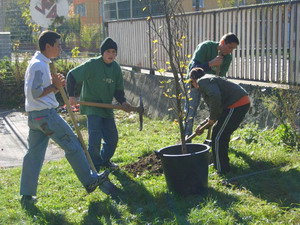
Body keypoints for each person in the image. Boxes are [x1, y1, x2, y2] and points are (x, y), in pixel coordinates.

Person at [20, 30, 109, 204]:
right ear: (48, 46)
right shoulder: (39, 65)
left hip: (35, 117)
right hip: (46, 115)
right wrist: (54, 85)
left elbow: (38, 91)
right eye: (58, 45)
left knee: (34, 155)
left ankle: (27, 194)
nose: (61, 48)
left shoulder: (39, 62)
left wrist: (55, 86)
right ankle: (90, 181)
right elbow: (35, 92)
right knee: (73, 145)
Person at [66, 37, 132, 172]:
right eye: (108, 51)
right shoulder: (92, 64)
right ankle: (94, 166)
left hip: (107, 107)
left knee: (112, 138)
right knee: (95, 139)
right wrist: (71, 96)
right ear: (102, 52)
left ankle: (104, 160)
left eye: (114, 52)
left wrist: (123, 102)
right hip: (92, 106)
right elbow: (71, 76)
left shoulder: (116, 68)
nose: (111, 54)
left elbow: (118, 90)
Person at [192, 68, 250, 174]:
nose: (193, 86)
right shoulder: (209, 79)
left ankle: (222, 170)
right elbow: (217, 111)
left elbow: (215, 96)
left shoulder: (202, 81)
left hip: (236, 104)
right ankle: (220, 164)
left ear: (194, 80)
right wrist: (202, 125)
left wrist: (212, 119)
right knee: (220, 134)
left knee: (218, 136)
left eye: (192, 83)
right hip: (238, 103)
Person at [184, 33, 239, 137]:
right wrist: (211, 63)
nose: (230, 51)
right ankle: (186, 138)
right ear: (222, 42)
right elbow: (193, 68)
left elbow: (220, 78)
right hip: (194, 82)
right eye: (229, 47)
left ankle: (214, 137)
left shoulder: (227, 58)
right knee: (191, 111)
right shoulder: (205, 47)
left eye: (233, 49)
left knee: (216, 110)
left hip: (209, 86)